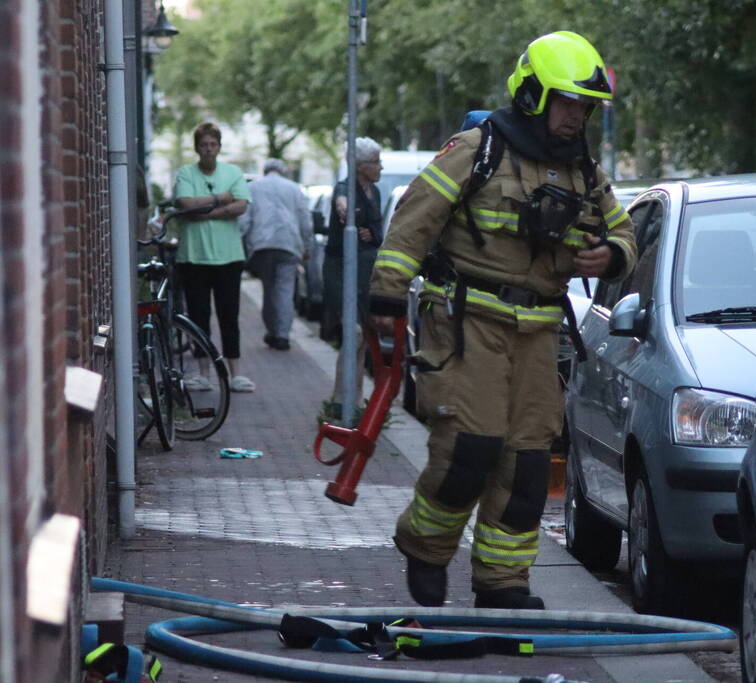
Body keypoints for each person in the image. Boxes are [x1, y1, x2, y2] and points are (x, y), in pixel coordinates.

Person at [368, 31, 636, 610]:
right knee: (471, 447)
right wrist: (387, 296)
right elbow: (413, 220)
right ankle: (427, 546)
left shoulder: (583, 172)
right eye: (567, 101)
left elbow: (623, 229)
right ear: (534, 93)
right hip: (469, 324)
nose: (577, 115)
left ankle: (503, 581)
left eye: (584, 106)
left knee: (529, 462)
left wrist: (611, 254)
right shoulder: (477, 148)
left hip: (539, 333)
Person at [173, 121, 255, 393]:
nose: (208, 150)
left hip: (228, 257)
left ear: (219, 147)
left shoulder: (232, 172)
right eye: (203, 145)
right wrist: (222, 199)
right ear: (196, 148)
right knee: (198, 317)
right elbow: (184, 205)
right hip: (194, 257)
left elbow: (241, 206)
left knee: (229, 315)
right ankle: (203, 374)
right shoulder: (186, 173)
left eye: (213, 145)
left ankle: (235, 374)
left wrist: (204, 210)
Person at [322, 137, 384, 418]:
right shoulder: (345, 187)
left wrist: (372, 233)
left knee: (363, 337)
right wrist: (345, 213)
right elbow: (342, 201)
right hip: (342, 270)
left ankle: (357, 401)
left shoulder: (376, 192)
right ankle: (339, 400)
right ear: (360, 166)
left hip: (366, 272)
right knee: (353, 333)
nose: (380, 167)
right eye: (375, 162)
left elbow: (377, 231)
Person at [239, 158, 313, 351]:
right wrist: (307, 246)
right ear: (282, 171)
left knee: (269, 289)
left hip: (262, 245)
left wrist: (242, 244)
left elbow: (244, 220)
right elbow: (305, 220)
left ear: (265, 171)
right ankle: (282, 334)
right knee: (285, 290)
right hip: (288, 244)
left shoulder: (253, 188)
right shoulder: (295, 189)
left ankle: (272, 331)